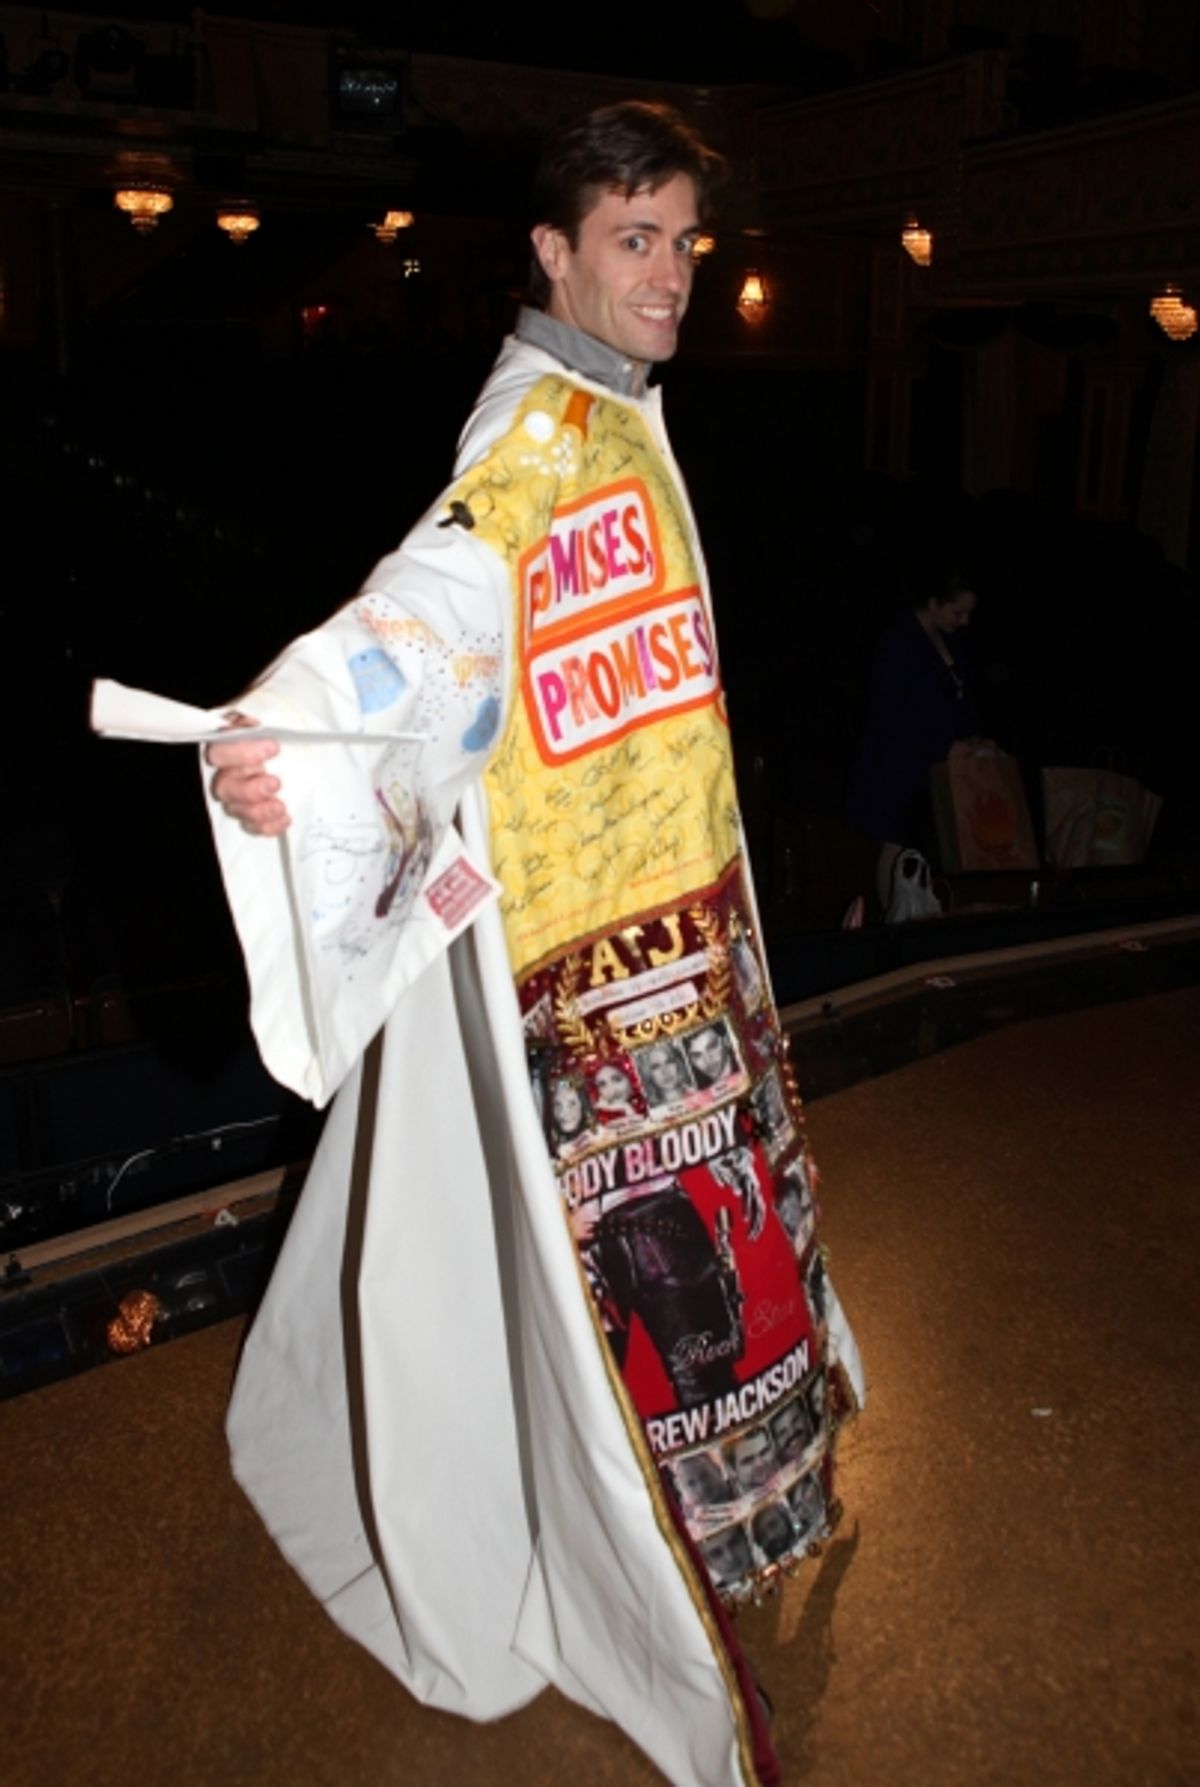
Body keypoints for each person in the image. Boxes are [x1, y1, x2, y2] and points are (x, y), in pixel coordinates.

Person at [202, 100, 864, 1787]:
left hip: (679, 908)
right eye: (637, 240)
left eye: (688, 241)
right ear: (554, 254)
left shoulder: (616, 407)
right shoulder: (539, 428)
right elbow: (430, 599)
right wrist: (299, 721)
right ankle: (659, 1564)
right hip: (586, 956)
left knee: (724, 1228)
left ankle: (754, 1507)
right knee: (647, 1280)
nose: (674, 274)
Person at [847, 568, 982, 911]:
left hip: (937, 766)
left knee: (927, 842)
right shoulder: (898, 643)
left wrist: (973, 738)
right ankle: (894, 919)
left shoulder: (950, 641)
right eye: (957, 612)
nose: (964, 621)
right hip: (901, 761)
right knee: (898, 840)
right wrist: (941, 745)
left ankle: (919, 914)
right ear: (934, 604)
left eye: (968, 613)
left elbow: (959, 698)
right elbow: (892, 714)